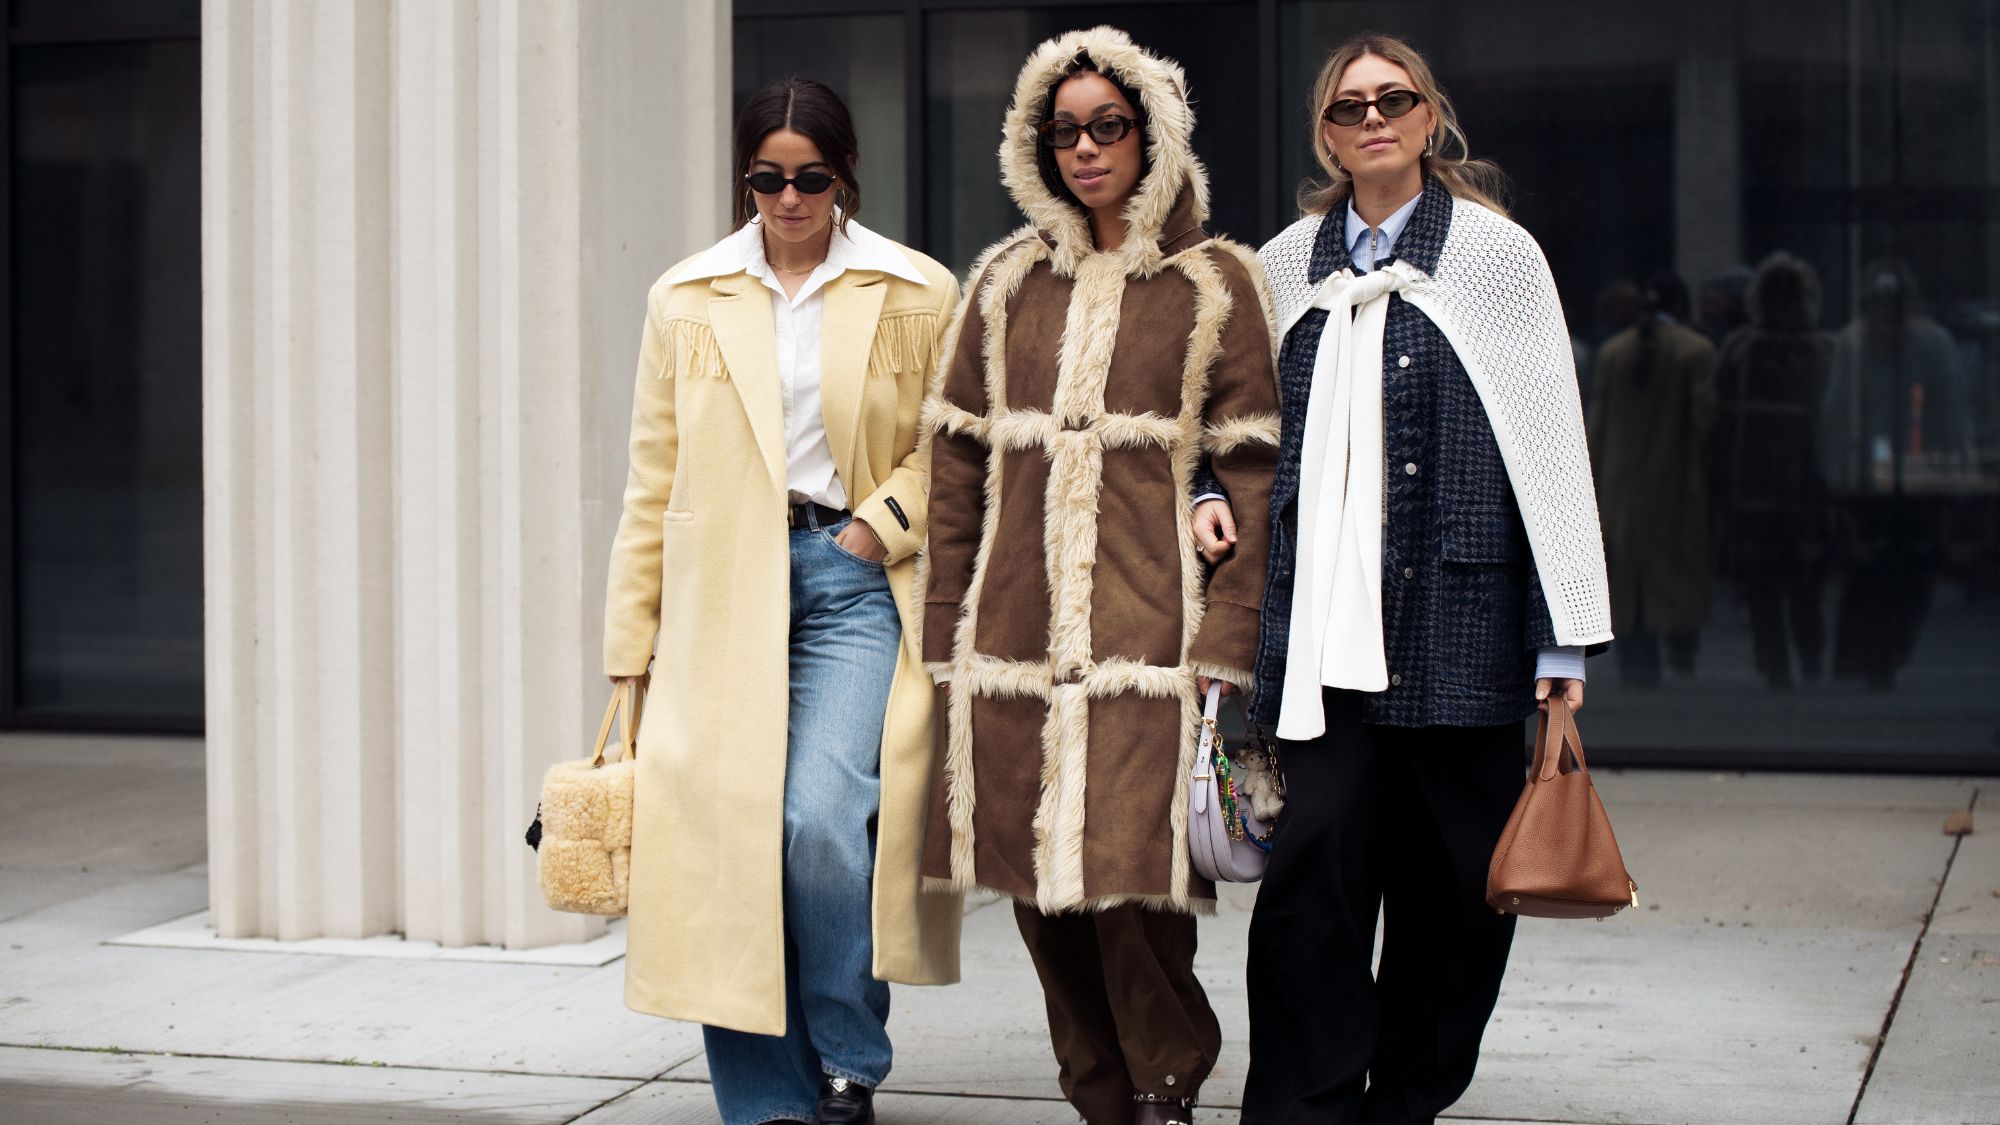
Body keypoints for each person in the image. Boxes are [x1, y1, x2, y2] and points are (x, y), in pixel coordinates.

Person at [1192, 33, 1612, 1123]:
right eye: (1349, 107)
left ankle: (1407, 1101)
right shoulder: (1283, 263)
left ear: (1430, 117)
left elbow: (1547, 445)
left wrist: (1559, 637)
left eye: (1392, 100)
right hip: (1317, 639)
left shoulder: (1495, 256)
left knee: (1458, 896)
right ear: (1324, 136)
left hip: (1462, 623)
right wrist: (1202, 491)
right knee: (1311, 887)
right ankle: (1304, 1107)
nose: (1372, 118)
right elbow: (1224, 419)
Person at [919, 26, 1280, 1125]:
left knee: (1134, 885)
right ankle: (1097, 1095)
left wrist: (1226, 637)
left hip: (1151, 636)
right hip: (1012, 641)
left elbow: (1253, 467)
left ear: (1151, 133)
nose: (1084, 148)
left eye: (1107, 126)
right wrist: (944, 633)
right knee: (1038, 889)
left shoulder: (1217, 282)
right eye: (1062, 130)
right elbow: (954, 461)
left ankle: (1166, 1084)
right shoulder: (1002, 280)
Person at [601, 77, 962, 1125]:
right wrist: (629, 643)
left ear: (844, 175)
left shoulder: (914, 289)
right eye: (767, 179)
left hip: (851, 580)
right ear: (744, 177)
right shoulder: (686, 296)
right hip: (720, 592)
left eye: (810, 178)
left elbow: (951, 446)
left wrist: (876, 525)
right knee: (732, 834)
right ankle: (766, 1099)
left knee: (819, 820)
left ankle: (847, 1054)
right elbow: (652, 480)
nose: (789, 199)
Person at [1588, 270, 1718, 685]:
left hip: (1620, 484)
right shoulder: (1697, 352)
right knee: (1674, 571)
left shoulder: (1613, 352)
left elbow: (1596, 427)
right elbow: (1706, 423)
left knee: (1627, 575)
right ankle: (1680, 656)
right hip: (1676, 482)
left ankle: (1636, 662)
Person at [1711, 252, 1831, 688]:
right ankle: (1807, 660)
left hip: (1757, 492)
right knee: (1800, 582)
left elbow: (1720, 425)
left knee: (1766, 584)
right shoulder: (1820, 351)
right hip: (1798, 491)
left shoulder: (1741, 349)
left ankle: (1778, 665)